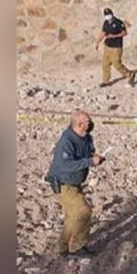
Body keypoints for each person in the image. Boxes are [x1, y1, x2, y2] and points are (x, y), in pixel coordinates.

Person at [44, 110, 105, 258]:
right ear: (79, 124)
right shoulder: (67, 141)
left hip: (75, 183)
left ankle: (62, 247)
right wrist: (90, 162)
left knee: (72, 216)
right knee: (83, 211)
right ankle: (77, 247)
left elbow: (88, 152)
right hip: (63, 184)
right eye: (88, 122)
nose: (91, 124)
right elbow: (65, 165)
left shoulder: (86, 137)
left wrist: (94, 157)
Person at [96, 8, 135, 88]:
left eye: (108, 14)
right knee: (105, 64)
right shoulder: (106, 22)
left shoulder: (118, 22)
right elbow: (103, 32)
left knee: (117, 64)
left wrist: (114, 36)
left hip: (116, 47)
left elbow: (124, 33)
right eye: (106, 15)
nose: (107, 16)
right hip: (107, 46)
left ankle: (129, 74)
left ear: (112, 14)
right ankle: (106, 81)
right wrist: (98, 41)